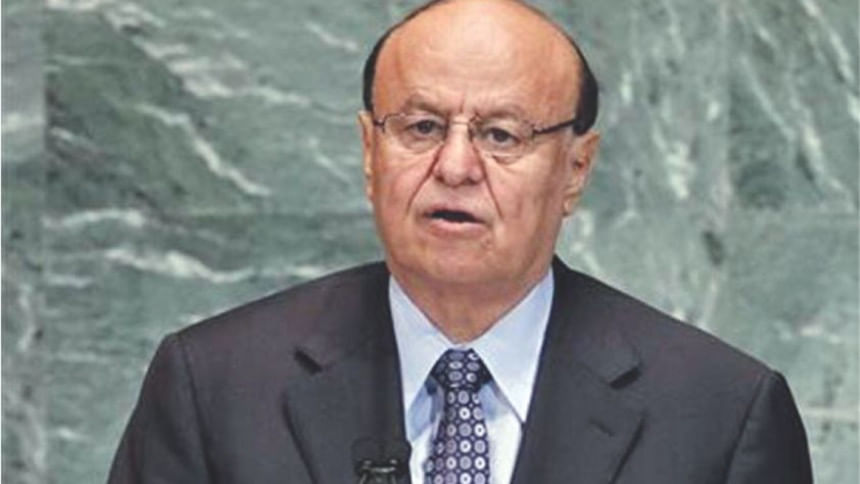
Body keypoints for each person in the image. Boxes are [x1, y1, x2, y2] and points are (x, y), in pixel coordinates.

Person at [107, 0, 813, 483]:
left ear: (575, 169)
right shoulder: (214, 385)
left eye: (501, 135)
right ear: (369, 152)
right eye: (420, 128)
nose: (454, 167)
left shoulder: (722, 414)